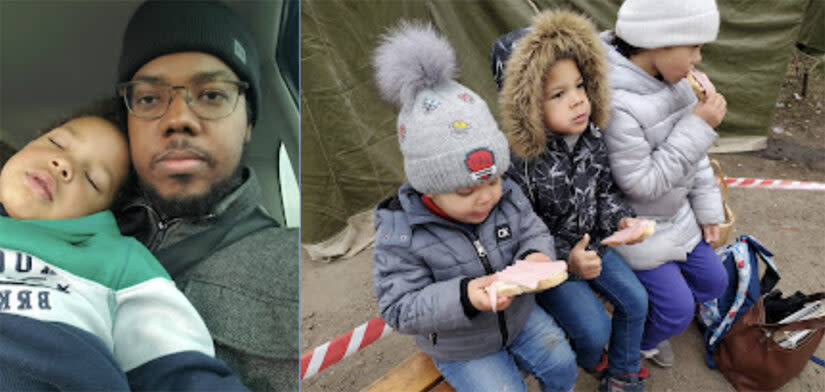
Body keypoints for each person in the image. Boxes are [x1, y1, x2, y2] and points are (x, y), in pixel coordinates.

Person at [371, 22, 577, 392]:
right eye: (466, 192)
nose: (486, 197)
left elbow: (533, 230)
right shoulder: (401, 231)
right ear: (428, 187)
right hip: (460, 344)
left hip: (519, 317)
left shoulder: (506, 194)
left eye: (493, 180)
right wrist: (465, 296)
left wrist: (535, 256)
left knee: (562, 361)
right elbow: (398, 307)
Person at [0, 101, 247, 391]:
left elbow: (179, 368)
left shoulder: (117, 259)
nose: (63, 164)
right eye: (57, 142)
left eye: (93, 180)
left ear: (100, 213)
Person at [113, 1, 298, 390]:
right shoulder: (57, 247)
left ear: (249, 122)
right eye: (149, 98)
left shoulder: (298, 267)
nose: (178, 118)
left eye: (212, 94)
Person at [492, 10, 650, 392]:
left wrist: (621, 221)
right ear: (528, 104)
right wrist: (569, 260)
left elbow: (605, 191)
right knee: (594, 329)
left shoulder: (592, 136)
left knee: (636, 301)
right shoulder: (519, 163)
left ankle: (623, 373)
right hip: (552, 264)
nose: (578, 101)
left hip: (595, 247)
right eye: (559, 94)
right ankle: (592, 357)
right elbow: (522, 235)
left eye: (580, 86)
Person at [598, 0, 729, 369]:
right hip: (639, 230)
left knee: (714, 282)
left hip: (679, 217)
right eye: (694, 47)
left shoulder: (679, 86)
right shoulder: (617, 103)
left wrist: (708, 211)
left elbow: (696, 158)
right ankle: (636, 342)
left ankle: (654, 322)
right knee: (676, 311)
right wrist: (699, 126)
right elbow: (642, 184)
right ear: (659, 41)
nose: (699, 59)